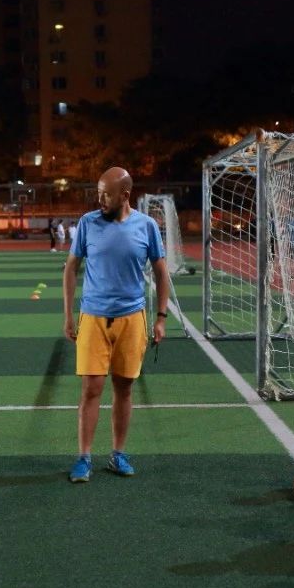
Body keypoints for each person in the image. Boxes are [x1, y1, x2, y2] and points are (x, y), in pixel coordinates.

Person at [63, 167, 169, 482]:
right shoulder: (87, 223)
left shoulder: (146, 226)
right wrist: (68, 315)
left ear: (124, 195)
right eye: (98, 193)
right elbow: (70, 269)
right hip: (93, 317)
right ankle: (83, 457)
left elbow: (162, 273)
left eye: (106, 194)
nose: (100, 199)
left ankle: (118, 454)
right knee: (91, 389)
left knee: (123, 389)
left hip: (132, 319)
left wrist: (161, 318)